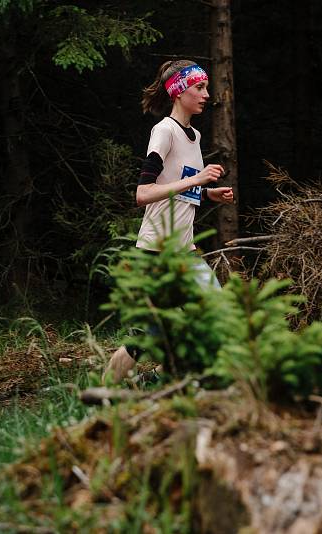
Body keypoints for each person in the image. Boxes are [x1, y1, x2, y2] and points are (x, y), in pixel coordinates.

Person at [102, 59, 235, 384]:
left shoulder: (194, 135)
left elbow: (175, 187)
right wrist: (197, 181)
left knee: (219, 317)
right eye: (199, 87)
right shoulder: (164, 131)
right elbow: (144, 193)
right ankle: (98, 397)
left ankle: (159, 381)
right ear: (178, 92)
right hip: (157, 252)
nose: (206, 94)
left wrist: (207, 195)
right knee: (142, 337)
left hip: (182, 251)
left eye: (206, 87)